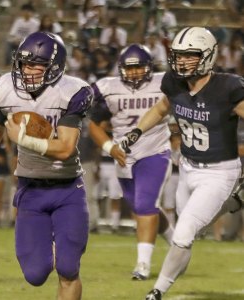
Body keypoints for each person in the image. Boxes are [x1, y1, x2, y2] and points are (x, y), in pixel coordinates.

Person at [116, 28, 244, 300]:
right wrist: (136, 132)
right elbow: (162, 108)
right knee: (192, 232)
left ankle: (157, 291)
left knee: (183, 233)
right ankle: (235, 202)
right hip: (187, 168)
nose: (182, 62)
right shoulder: (174, 83)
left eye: (190, 56)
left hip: (219, 172)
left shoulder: (228, 87)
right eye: (179, 56)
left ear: (208, 56)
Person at [0, 31, 94, 300]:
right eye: (25, 64)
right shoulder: (6, 89)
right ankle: (52, 246)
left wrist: (23, 139)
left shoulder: (71, 92)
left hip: (68, 190)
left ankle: (63, 249)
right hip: (30, 190)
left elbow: (65, 148)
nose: (28, 71)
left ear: (55, 67)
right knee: (35, 274)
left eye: (36, 65)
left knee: (68, 268)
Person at [89, 43, 174, 281]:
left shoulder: (163, 82)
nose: (134, 72)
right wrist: (109, 147)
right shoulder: (109, 88)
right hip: (124, 156)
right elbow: (93, 123)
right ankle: (177, 243)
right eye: (129, 68)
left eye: (139, 68)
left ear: (149, 67)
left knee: (146, 204)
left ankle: (143, 265)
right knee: (143, 207)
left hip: (155, 151)